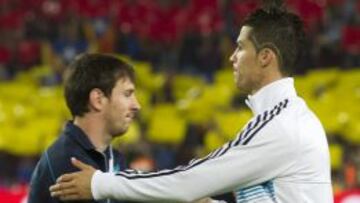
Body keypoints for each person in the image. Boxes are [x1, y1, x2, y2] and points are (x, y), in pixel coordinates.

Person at [49, 3, 334, 203]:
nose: (232, 57)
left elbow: (189, 181)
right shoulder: (288, 118)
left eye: (240, 47)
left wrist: (101, 184)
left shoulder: (279, 126)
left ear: (265, 57)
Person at [28, 53, 141, 203]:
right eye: (127, 94)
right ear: (98, 99)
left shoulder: (113, 157)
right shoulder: (68, 163)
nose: (136, 106)